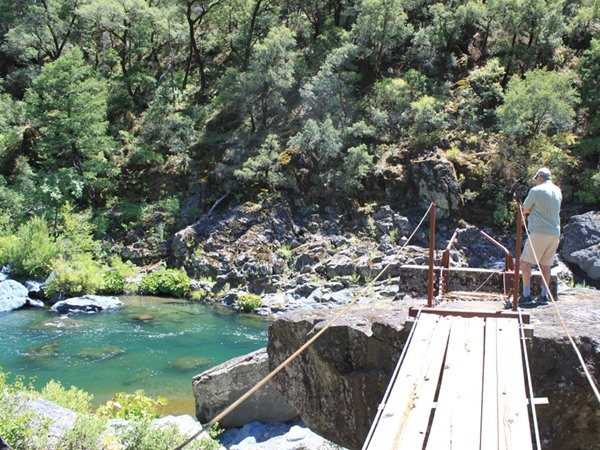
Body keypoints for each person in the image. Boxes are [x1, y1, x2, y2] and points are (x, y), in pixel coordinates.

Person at [519, 167, 562, 307]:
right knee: (546, 264)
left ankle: (526, 294)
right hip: (554, 233)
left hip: (539, 232)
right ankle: (544, 295)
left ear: (540, 177)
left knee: (525, 262)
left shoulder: (536, 191)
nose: (536, 181)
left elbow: (525, 208)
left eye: (537, 178)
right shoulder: (557, 191)